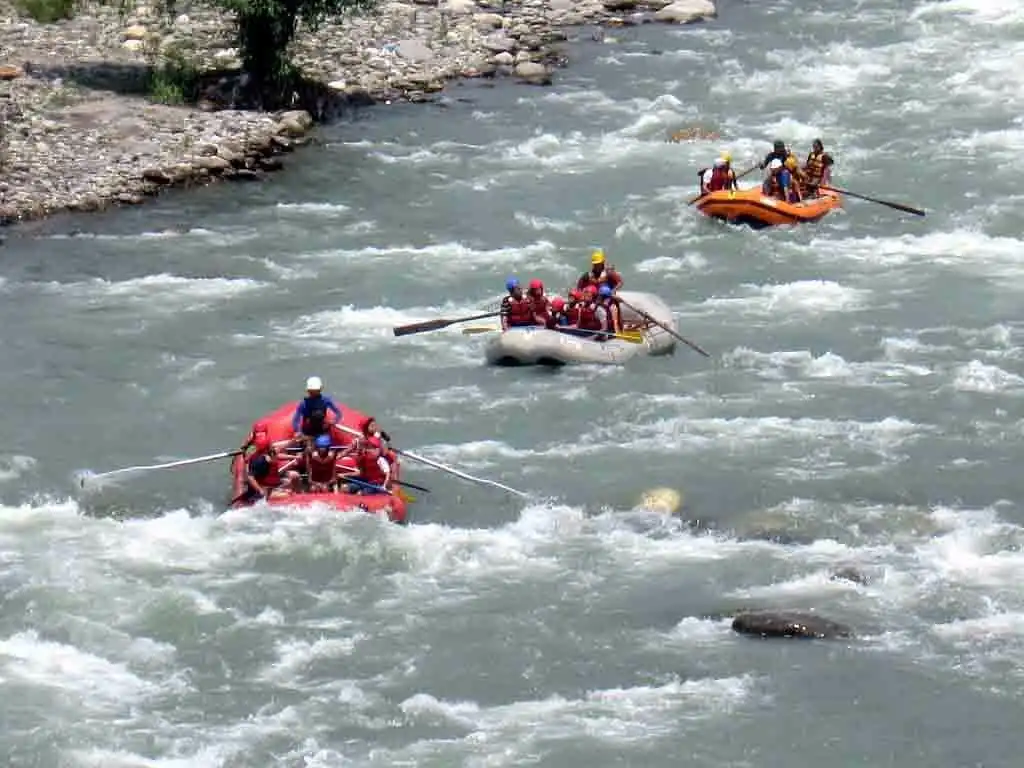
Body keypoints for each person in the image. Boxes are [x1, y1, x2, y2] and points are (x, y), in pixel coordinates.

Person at [291, 376, 343, 446]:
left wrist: (333, 421)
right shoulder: (304, 404)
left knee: (323, 447)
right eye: (312, 391)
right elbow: (295, 420)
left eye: (314, 391)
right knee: (310, 448)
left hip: (321, 431)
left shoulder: (325, 401)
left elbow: (338, 413)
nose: (313, 393)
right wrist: (298, 432)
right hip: (308, 433)